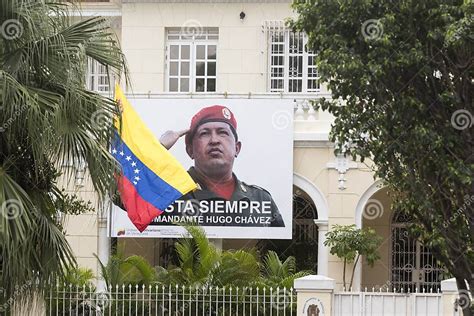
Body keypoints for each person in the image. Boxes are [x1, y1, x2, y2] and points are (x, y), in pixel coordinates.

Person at [158, 105, 285, 227]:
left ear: (237, 148)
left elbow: (279, 247)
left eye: (222, 132)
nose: (214, 140)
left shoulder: (260, 199)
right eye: (205, 133)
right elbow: (139, 219)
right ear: (190, 150)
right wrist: (158, 148)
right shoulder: (169, 192)